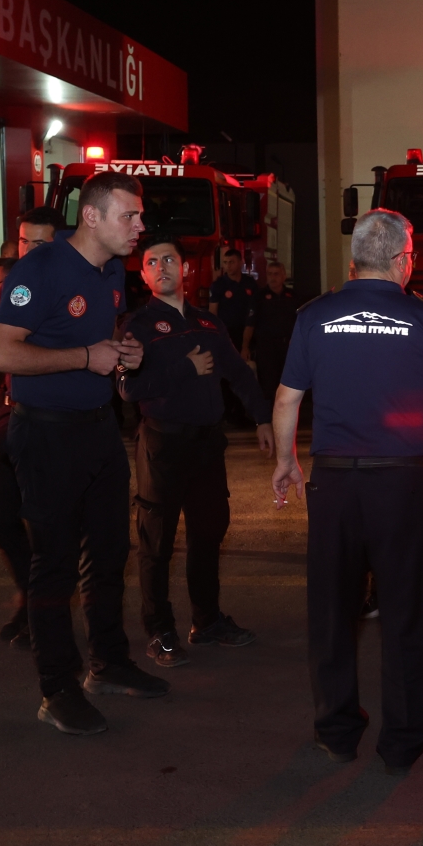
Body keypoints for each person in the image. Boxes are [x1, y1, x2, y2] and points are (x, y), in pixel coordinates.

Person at [269, 209, 423, 773]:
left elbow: (287, 398)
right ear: (404, 260)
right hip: (401, 483)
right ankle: (403, 740)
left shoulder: (314, 316)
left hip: (334, 483)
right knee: (406, 611)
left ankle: (335, 730)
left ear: (353, 258)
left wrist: (286, 461)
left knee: (332, 611)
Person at [0, 170, 159, 736]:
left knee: (110, 553)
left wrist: (121, 351)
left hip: (99, 429)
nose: (139, 226)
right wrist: (87, 359)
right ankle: (55, 688)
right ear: (91, 216)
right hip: (46, 433)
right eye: (128, 216)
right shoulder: (37, 271)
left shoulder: (111, 269)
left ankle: (107, 664)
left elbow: (96, 336)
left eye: (139, 216)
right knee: (54, 563)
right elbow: (3, 352)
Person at [120, 237, 274, 667]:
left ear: (186, 269)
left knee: (208, 534)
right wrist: (182, 368)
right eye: (152, 262)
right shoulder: (136, 327)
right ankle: (160, 631)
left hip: (207, 445)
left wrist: (262, 418)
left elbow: (239, 374)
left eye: (169, 259)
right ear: (145, 274)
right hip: (163, 445)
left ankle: (206, 622)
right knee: (157, 542)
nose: (161, 267)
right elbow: (127, 387)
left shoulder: (209, 324)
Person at [0, 205, 66, 649]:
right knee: (0, 516)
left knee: (48, 525)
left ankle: (42, 614)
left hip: (52, 422)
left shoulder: (67, 289)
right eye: (26, 241)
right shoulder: (15, 287)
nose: (30, 250)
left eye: (41, 242)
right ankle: (32, 597)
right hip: (12, 417)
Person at [244, 259, 299, 407]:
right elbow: (250, 324)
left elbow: (299, 323)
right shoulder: (259, 297)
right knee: (268, 384)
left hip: (287, 346)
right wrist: (245, 347)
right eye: (269, 274)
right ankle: (267, 418)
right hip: (266, 347)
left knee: (287, 382)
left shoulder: (292, 297)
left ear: (283, 276)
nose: (272, 277)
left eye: (276, 274)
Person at [208, 247, 253, 350]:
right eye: (225, 262)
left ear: (240, 263)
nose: (228, 266)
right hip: (225, 332)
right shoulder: (218, 285)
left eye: (232, 262)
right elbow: (212, 313)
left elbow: (253, 312)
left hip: (246, 331)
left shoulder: (249, 283)